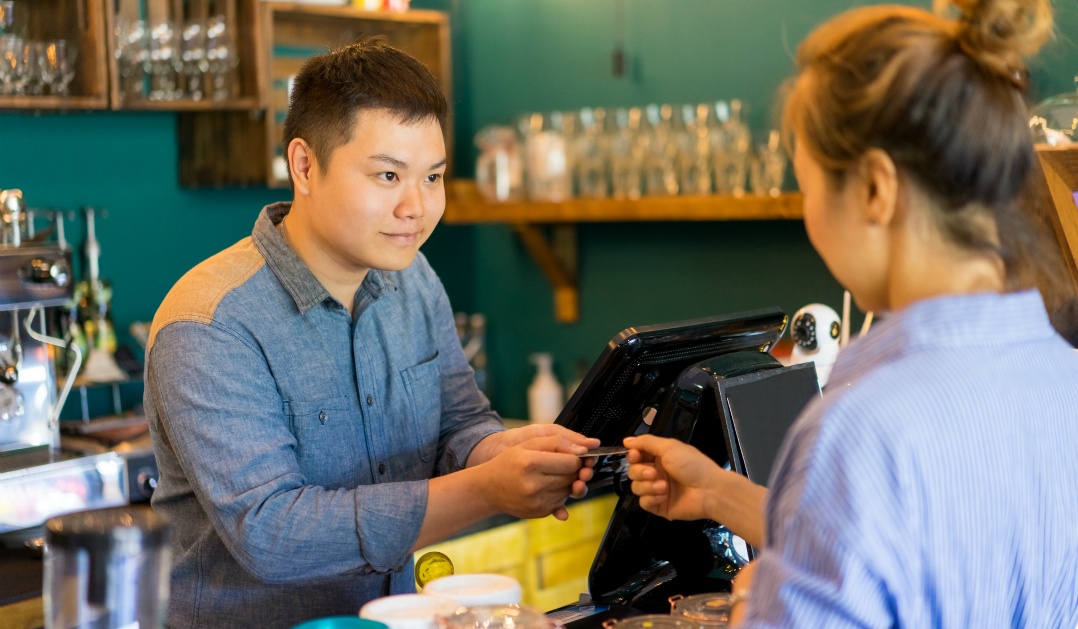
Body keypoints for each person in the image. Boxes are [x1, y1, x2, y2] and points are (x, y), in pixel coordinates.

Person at [625, 1, 1078, 627]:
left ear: (874, 189)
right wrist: (715, 492)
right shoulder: (1062, 378)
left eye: (808, 186)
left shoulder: (864, 429)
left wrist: (755, 602)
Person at [144, 39, 598, 629]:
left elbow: (459, 424)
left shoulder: (413, 279)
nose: (417, 206)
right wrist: (489, 490)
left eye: (432, 177)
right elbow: (272, 533)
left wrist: (505, 452)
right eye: (388, 175)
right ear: (305, 166)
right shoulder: (209, 323)